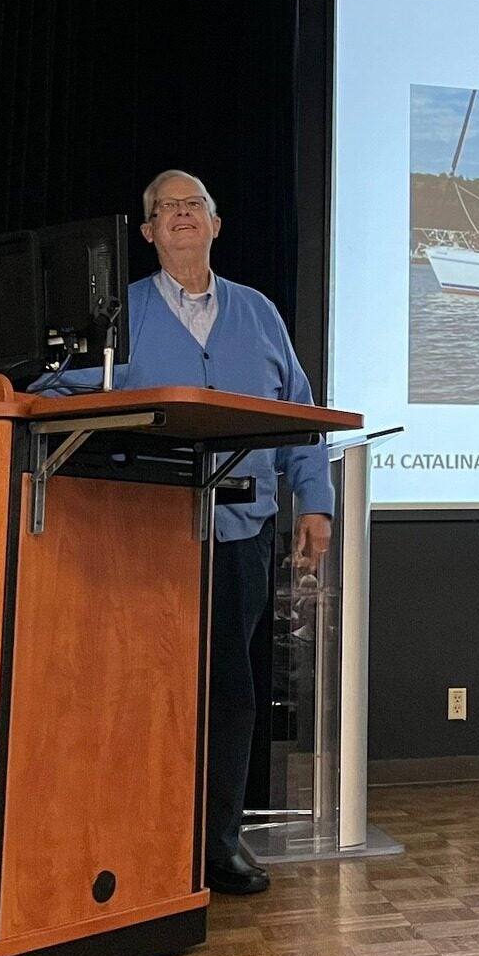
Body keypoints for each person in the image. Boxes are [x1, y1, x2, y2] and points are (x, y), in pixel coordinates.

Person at [37, 169, 331, 896]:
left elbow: (299, 413)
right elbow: (47, 386)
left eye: (192, 205)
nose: (180, 216)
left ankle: (218, 842)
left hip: (240, 533)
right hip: (146, 534)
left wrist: (315, 501)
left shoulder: (259, 313)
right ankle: (141, 836)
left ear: (216, 223)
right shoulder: (120, 316)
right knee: (143, 687)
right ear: (145, 233)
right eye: (164, 209)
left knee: (230, 689)